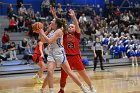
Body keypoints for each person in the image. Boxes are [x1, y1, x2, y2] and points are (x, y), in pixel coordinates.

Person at [38, 14, 91, 93]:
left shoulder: (60, 31)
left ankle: (83, 88)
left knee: (70, 72)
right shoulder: (53, 31)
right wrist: (41, 31)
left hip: (60, 53)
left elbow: (49, 41)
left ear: (55, 24)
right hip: (52, 53)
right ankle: (49, 90)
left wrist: (42, 32)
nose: (51, 21)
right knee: (49, 72)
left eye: (53, 21)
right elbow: (42, 40)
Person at [58, 9, 96, 93]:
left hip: (76, 57)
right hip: (66, 58)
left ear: (75, 29)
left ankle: (91, 87)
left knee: (84, 74)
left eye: (72, 26)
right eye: (69, 26)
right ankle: (61, 89)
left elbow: (77, 25)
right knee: (63, 76)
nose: (70, 27)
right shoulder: (64, 35)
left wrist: (74, 17)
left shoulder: (77, 35)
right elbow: (61, 26)